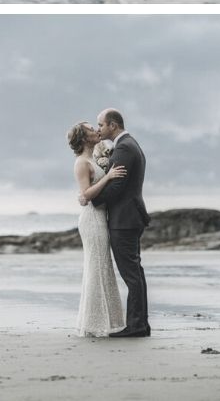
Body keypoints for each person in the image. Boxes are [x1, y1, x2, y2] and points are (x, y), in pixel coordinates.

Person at [88, 108, 151, 337]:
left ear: (113, 125)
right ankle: (141, 324)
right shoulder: (131, 144)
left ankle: (136, 326)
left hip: (124, 219)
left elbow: (117, 186)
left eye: (101, 124)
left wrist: (91, 198)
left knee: (132, 275)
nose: (99, 129)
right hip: (130, 216)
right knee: (136, 273)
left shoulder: (124, 147)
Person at [67, 121, 126, 337]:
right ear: (83, 138)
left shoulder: (94, 159)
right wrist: (109, 177)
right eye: (92, 129)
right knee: (96, 268)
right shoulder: (82, 163)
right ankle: (93, 323)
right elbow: (87, 195)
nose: (96, 130)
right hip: (92, 220)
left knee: (103, 267)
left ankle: (107, 321)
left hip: (101, 217)